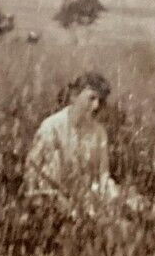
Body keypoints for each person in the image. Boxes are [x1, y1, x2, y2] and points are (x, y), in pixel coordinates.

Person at [24, 71, 130, 212]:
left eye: (100, 100)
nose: (96, 106)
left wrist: (110, 198)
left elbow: (103, 174)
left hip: (86, 201)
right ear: (74, 96)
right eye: (91, 98)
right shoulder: (51, 127)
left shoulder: (99, 132)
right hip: (52, 201)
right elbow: (33, 170)